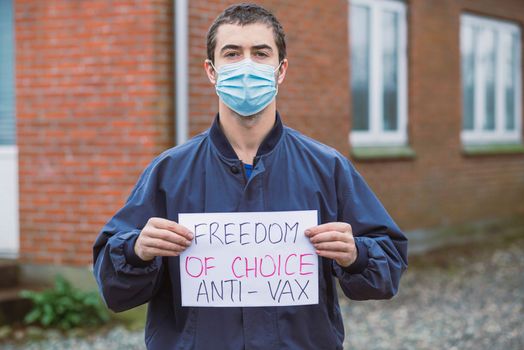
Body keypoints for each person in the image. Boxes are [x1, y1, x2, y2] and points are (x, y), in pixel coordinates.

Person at [93, 3, 408, 349]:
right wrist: (137, 251)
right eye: (232, 53)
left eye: (260, 53)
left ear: (281, 70)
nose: (246, 66)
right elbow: (113, 287)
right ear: (211, 72)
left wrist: (356, 254)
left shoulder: (327, 168)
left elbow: (388, 267)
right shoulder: (168, 173)